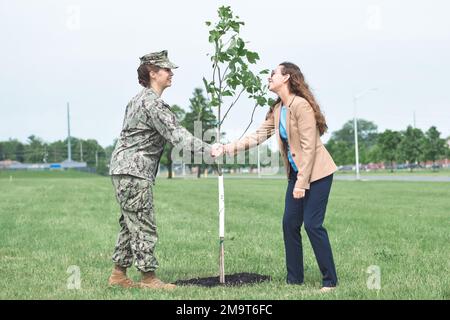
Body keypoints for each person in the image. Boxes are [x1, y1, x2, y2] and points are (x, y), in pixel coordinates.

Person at [215, 62, 338, 292]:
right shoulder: (279, 108)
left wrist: (302, 183)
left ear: (287, 77)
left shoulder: (301, 106)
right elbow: (258, 136)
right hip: (297, 176)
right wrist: (227, 148)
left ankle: (330, 280)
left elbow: (309, 147)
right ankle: (294, 280)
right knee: (289, 224)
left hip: (318, 174)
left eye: (273, 73)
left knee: (312, 224)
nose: (269, 77)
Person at [108, 50, 219, 289]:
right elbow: (178, 137)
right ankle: (149, 278)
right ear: (152, 73)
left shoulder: (137, 99)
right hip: (134, 171)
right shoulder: (152, 103)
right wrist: (210, 149)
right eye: (167, 69)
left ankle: (118, 275)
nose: (171, 73)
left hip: (125, 169)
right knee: (143, 223)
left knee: (131, 223)